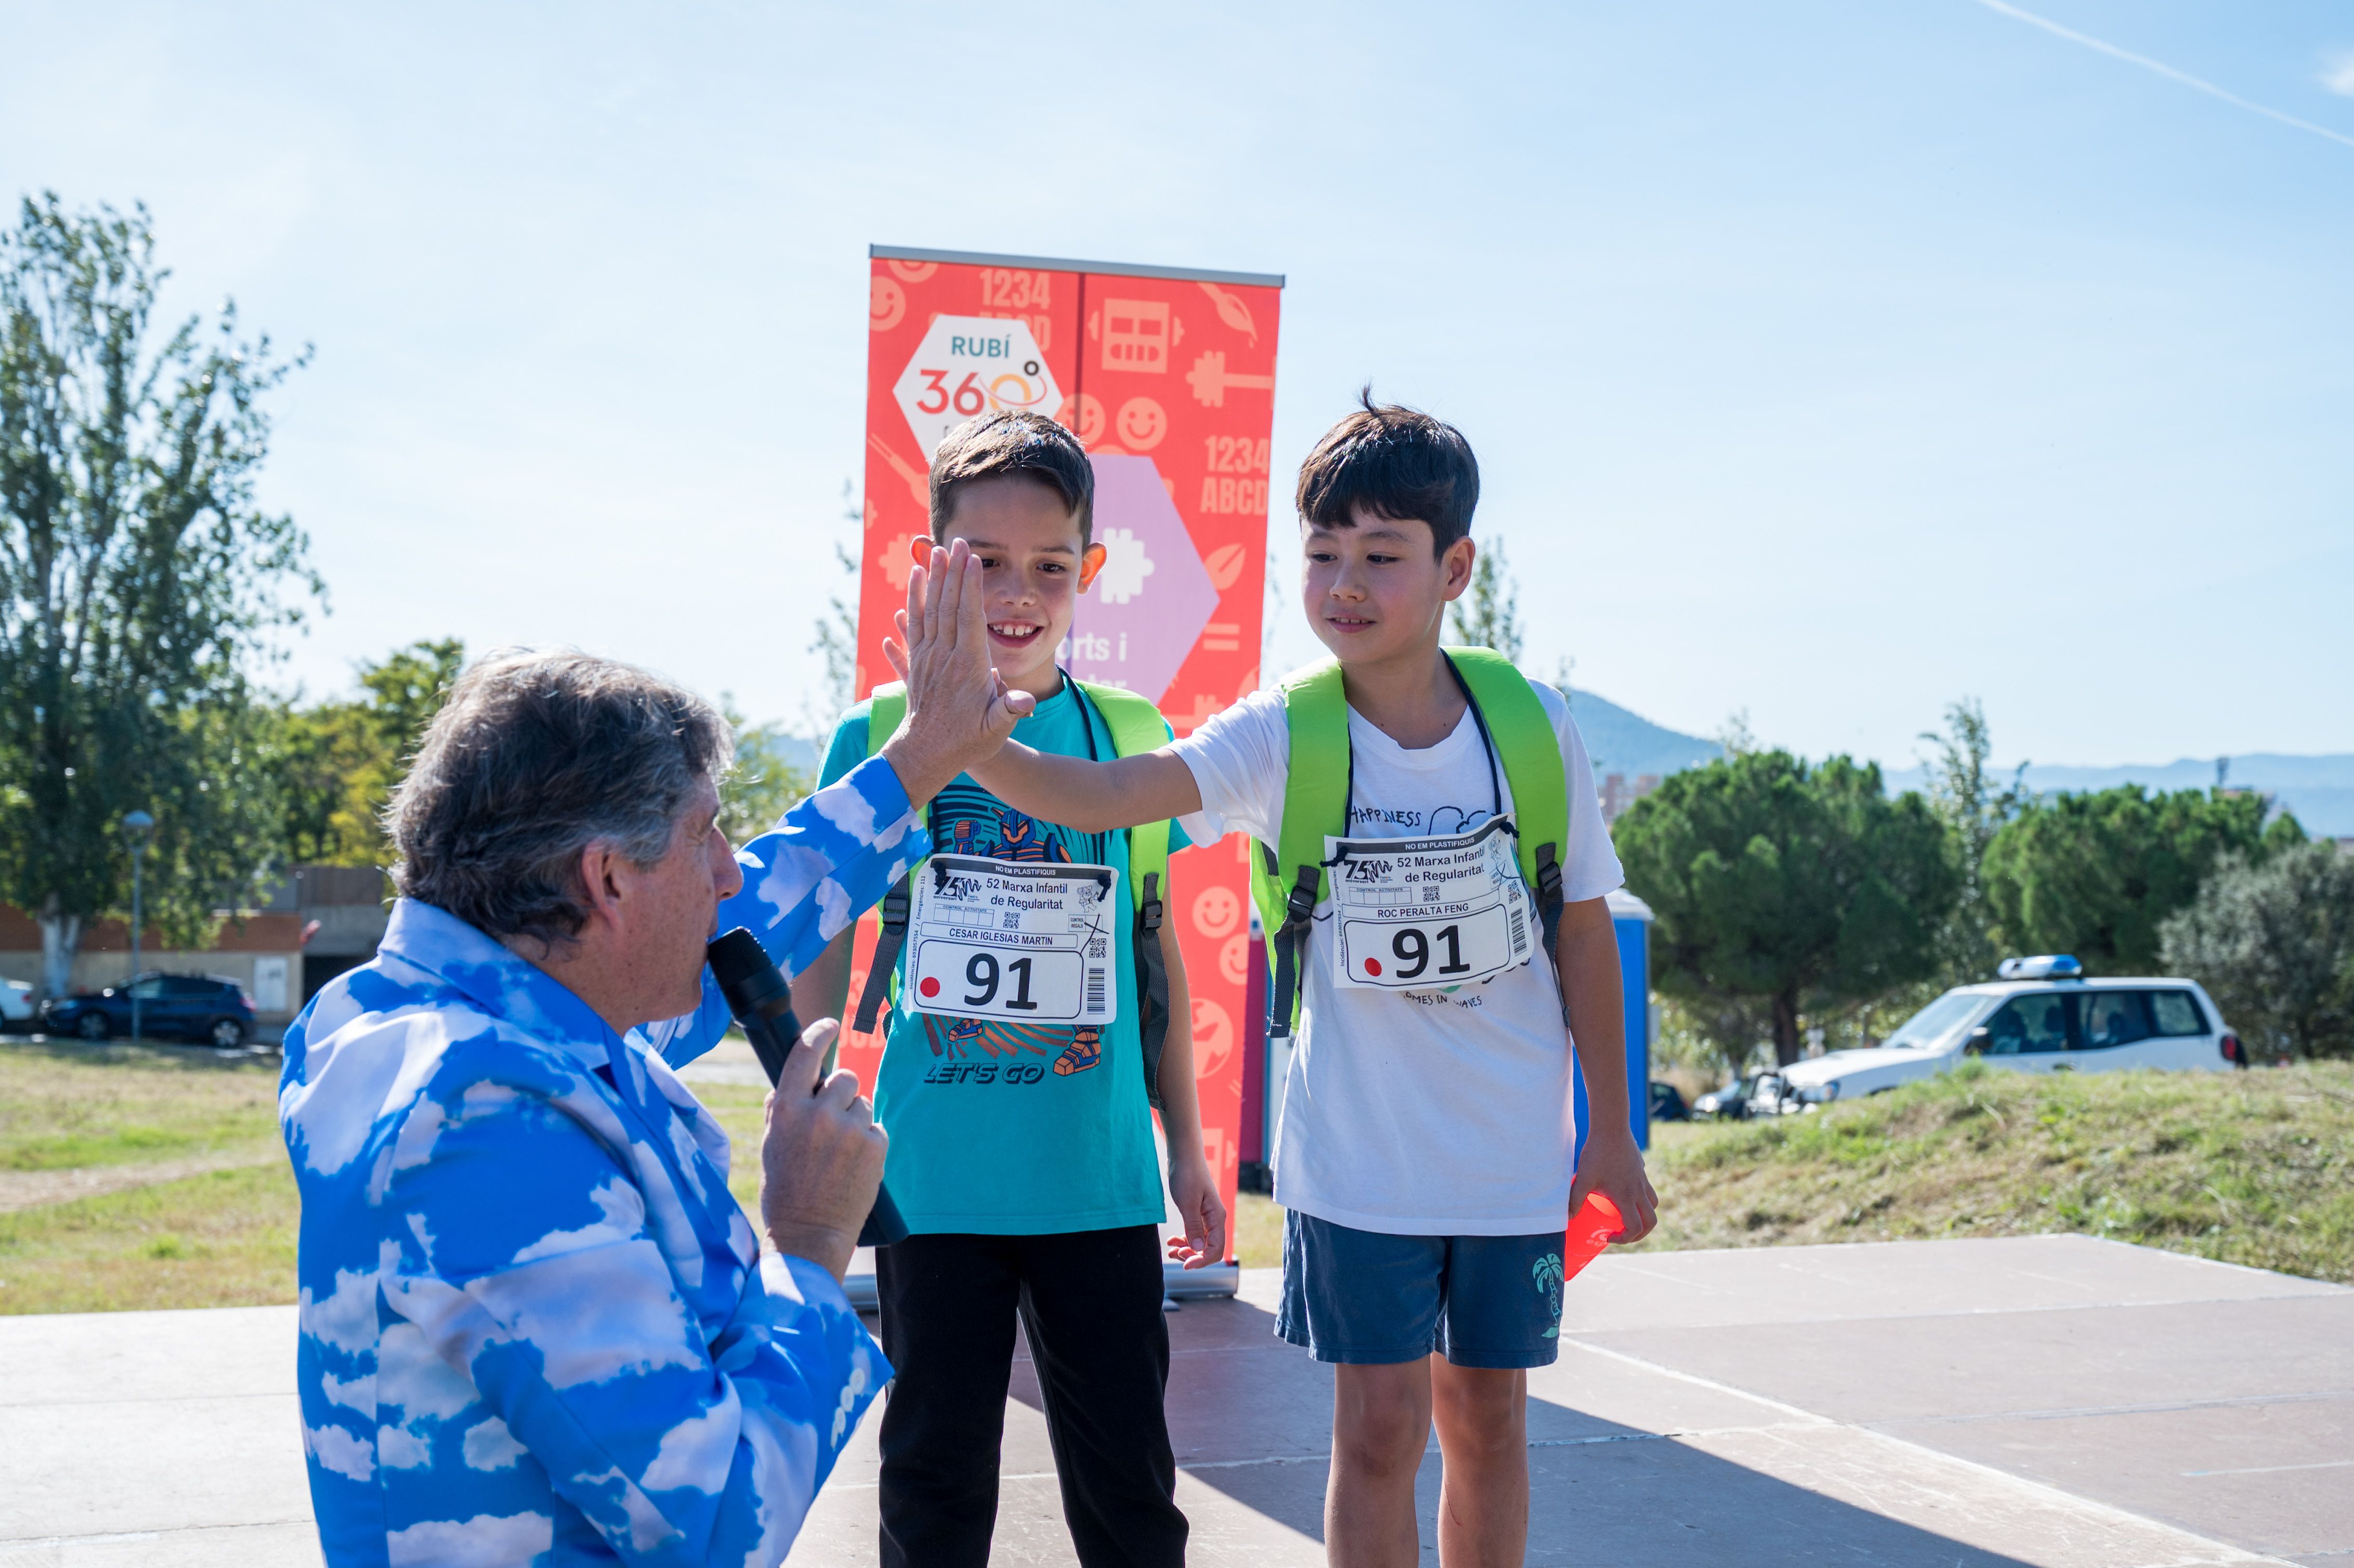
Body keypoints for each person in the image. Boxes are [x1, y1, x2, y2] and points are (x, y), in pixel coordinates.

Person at [927, 393, 1660, 1567]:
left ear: (1454, 565)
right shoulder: (1283, 732)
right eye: (1321, 555)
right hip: (1357, 1161)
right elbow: (1120, 795)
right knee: (1375, 1430)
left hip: (1509, 1155)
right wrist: (963, 744)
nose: (1344, 584)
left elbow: (1579, 926)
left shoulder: (1530, 724)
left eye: (1381, 555)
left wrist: (1612, 1131)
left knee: (1486, 1420)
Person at [280, 543, 1028, 1566]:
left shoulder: (467, 1012)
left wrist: (917, 761)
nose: (729, 872)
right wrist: (808, 1239)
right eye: (704, 835)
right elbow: (716, 1519)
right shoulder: (483, 1118)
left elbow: (751, 904)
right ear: (606, 878)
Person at [792, 411, 1225, 1568]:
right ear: (935, 564)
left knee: (1131, 1492)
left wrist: (1185, 1143)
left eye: (1047, 565)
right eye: (983, 562)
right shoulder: (876, 730)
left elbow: (1153, 950)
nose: (1015, 592)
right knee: (931, 1486)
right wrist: (812, 1100)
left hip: (1096, 1180)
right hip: (932, 1181)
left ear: (1088, 572)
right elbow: (821, 934)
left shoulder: (1127, 734)